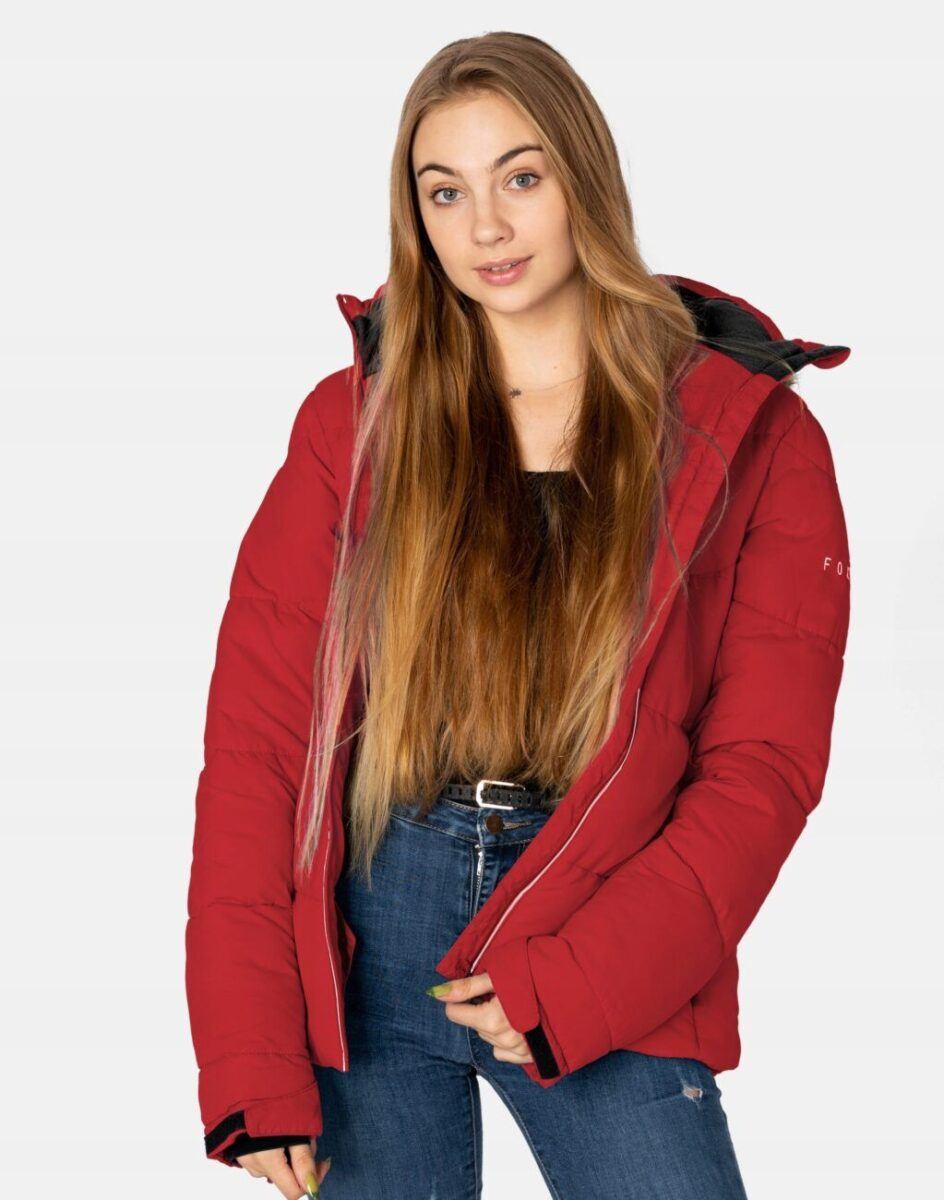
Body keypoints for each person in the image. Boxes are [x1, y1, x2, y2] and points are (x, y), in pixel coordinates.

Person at [184, 31, 852, 1199]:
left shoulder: (747, 435)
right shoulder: (352, 426)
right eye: (444, 192)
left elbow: (762, 766)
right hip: (372, 931)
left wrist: (585, 974)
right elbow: (257, 752)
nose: (485, 227)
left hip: (602, 913)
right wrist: (251, 1057)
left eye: (520, 177)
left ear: (583, 179)